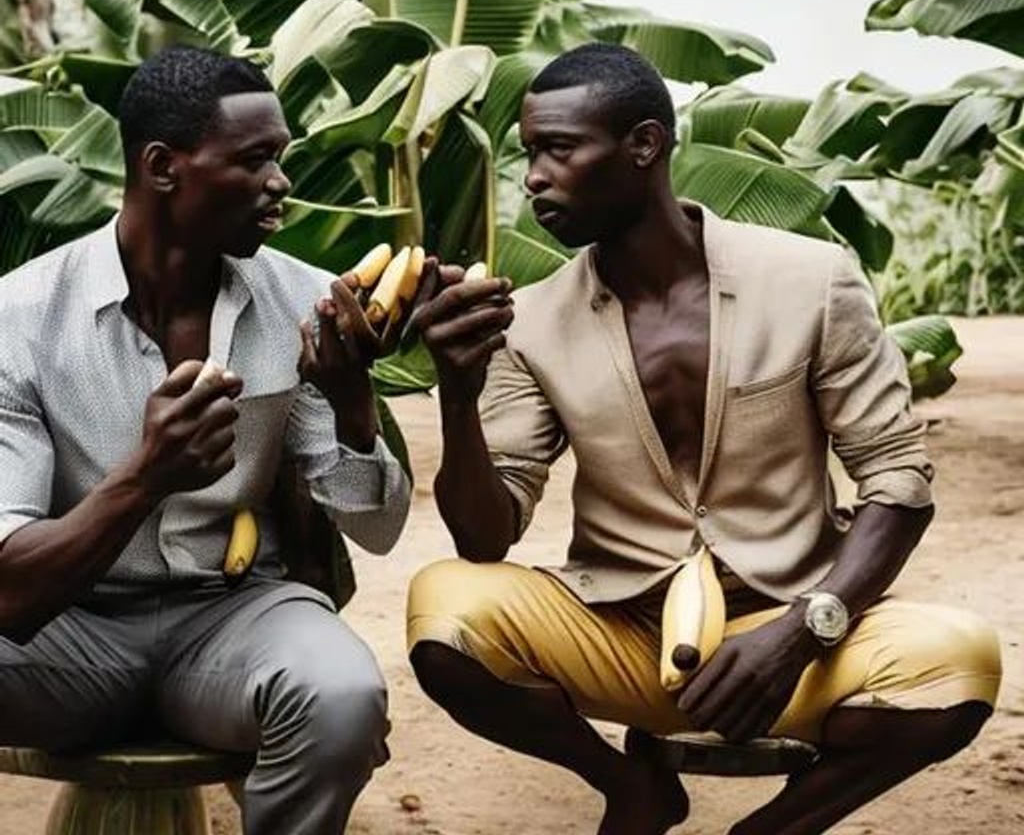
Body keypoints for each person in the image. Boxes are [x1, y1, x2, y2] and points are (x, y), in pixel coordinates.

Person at [405, 42, 1002, 835]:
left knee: (961, 660)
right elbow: (486, 537)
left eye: (559, 149)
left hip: (793, 630)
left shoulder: (811, 281)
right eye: (528, 154)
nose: (534, 177)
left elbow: (897, 481)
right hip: (620, 630)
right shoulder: (533, 321)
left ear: (645, 145)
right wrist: (456, 389)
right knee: (444, 610)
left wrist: (806, 626)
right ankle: (630, 787)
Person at [0, 46, 411, 835]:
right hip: (69, 634)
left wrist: (353, 401)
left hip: (232, 617)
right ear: (162, 167)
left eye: (281, 159)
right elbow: (12, 594)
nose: (281, 183)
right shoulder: (21, 320)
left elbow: (378, 528)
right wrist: (146, 477)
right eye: (256, 159)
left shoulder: (302, 302)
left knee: (341, 695)